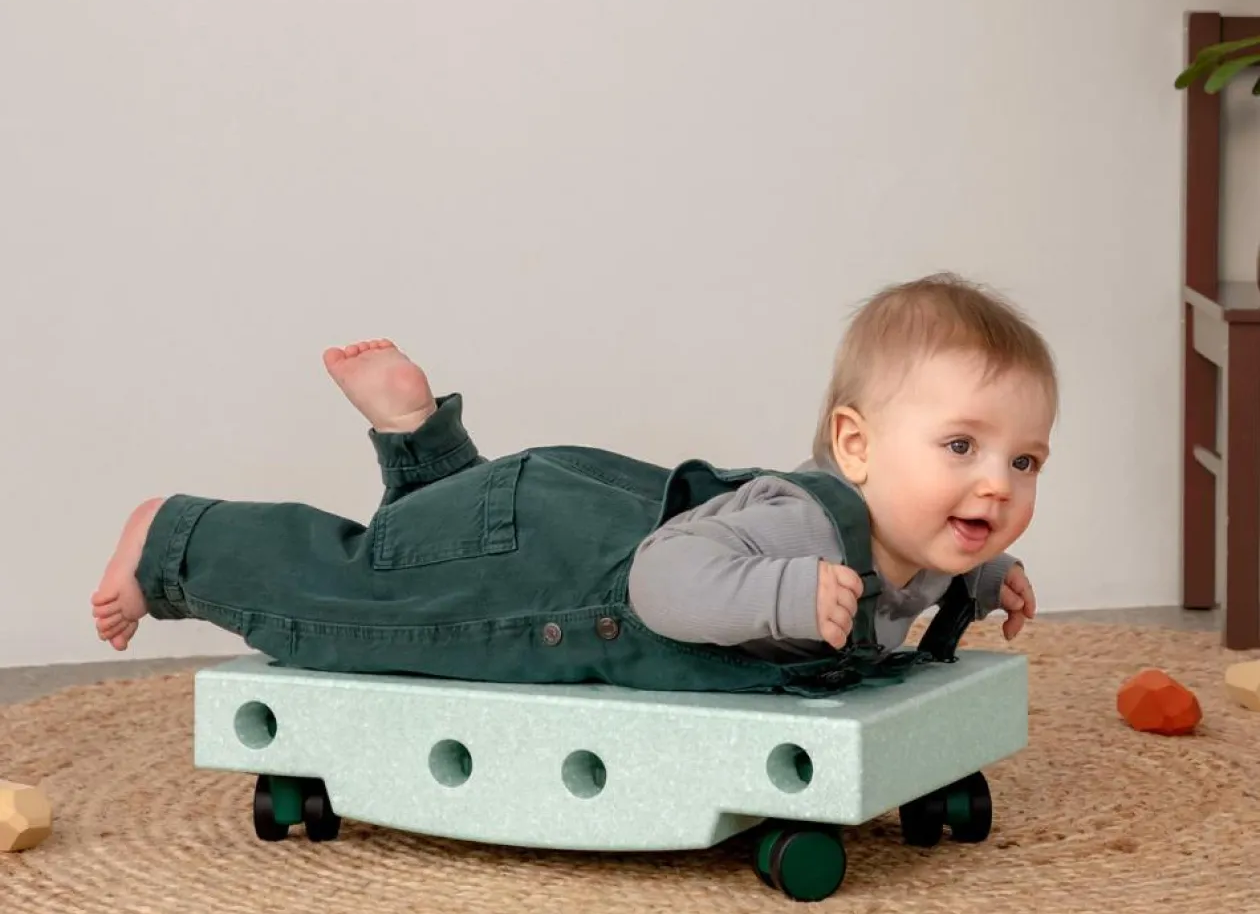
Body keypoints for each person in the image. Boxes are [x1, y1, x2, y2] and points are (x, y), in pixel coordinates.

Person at [91, 273, 1053, 694]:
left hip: (552, 520)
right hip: (545, 550)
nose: (995, 487)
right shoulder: (806, 531)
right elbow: (661, 582)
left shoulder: (908, 535)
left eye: (1022, 461)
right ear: (854, 445)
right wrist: (780, 595)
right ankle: (176, 536)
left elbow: (904, 582)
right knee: (366, 598)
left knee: (433, 558)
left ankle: (421, 443)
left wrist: (977, 574)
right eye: (960, 446)